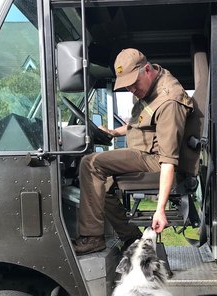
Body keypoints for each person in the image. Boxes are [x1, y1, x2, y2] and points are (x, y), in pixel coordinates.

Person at [73, 48, 193, 254]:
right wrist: (113, 132)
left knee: (91, 163)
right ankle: (131, 238)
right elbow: (139, 125)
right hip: (144, 154)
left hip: (155, 161)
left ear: (147, 70)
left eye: (133, 84)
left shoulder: (169, 101)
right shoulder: (148, 87)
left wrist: (160, 209)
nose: (132, 90)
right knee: (102, 183)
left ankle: (91, 237)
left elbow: (168, 161)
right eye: (127, 86)